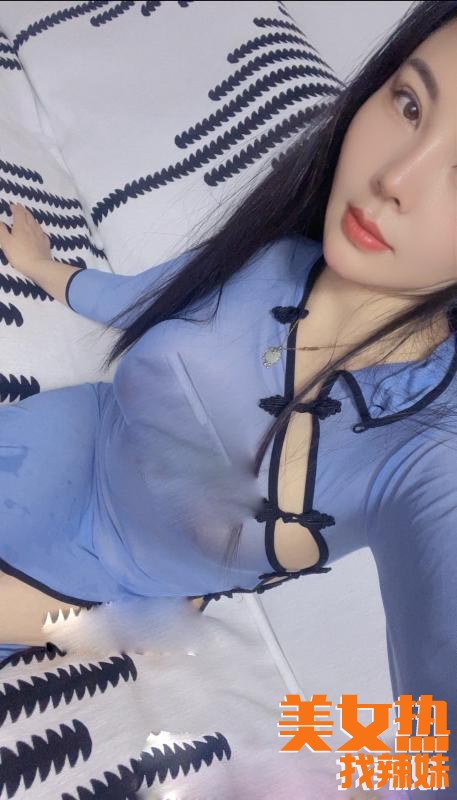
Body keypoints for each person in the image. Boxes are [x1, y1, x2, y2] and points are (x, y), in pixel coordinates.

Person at [0, 2, 455, 797]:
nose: (394, 178)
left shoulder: (423, 448)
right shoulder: (277, 255)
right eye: (409, 104)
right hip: (64, 435)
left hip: (100, 567)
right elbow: (147, 298)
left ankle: (135, 621)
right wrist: (45, 270)